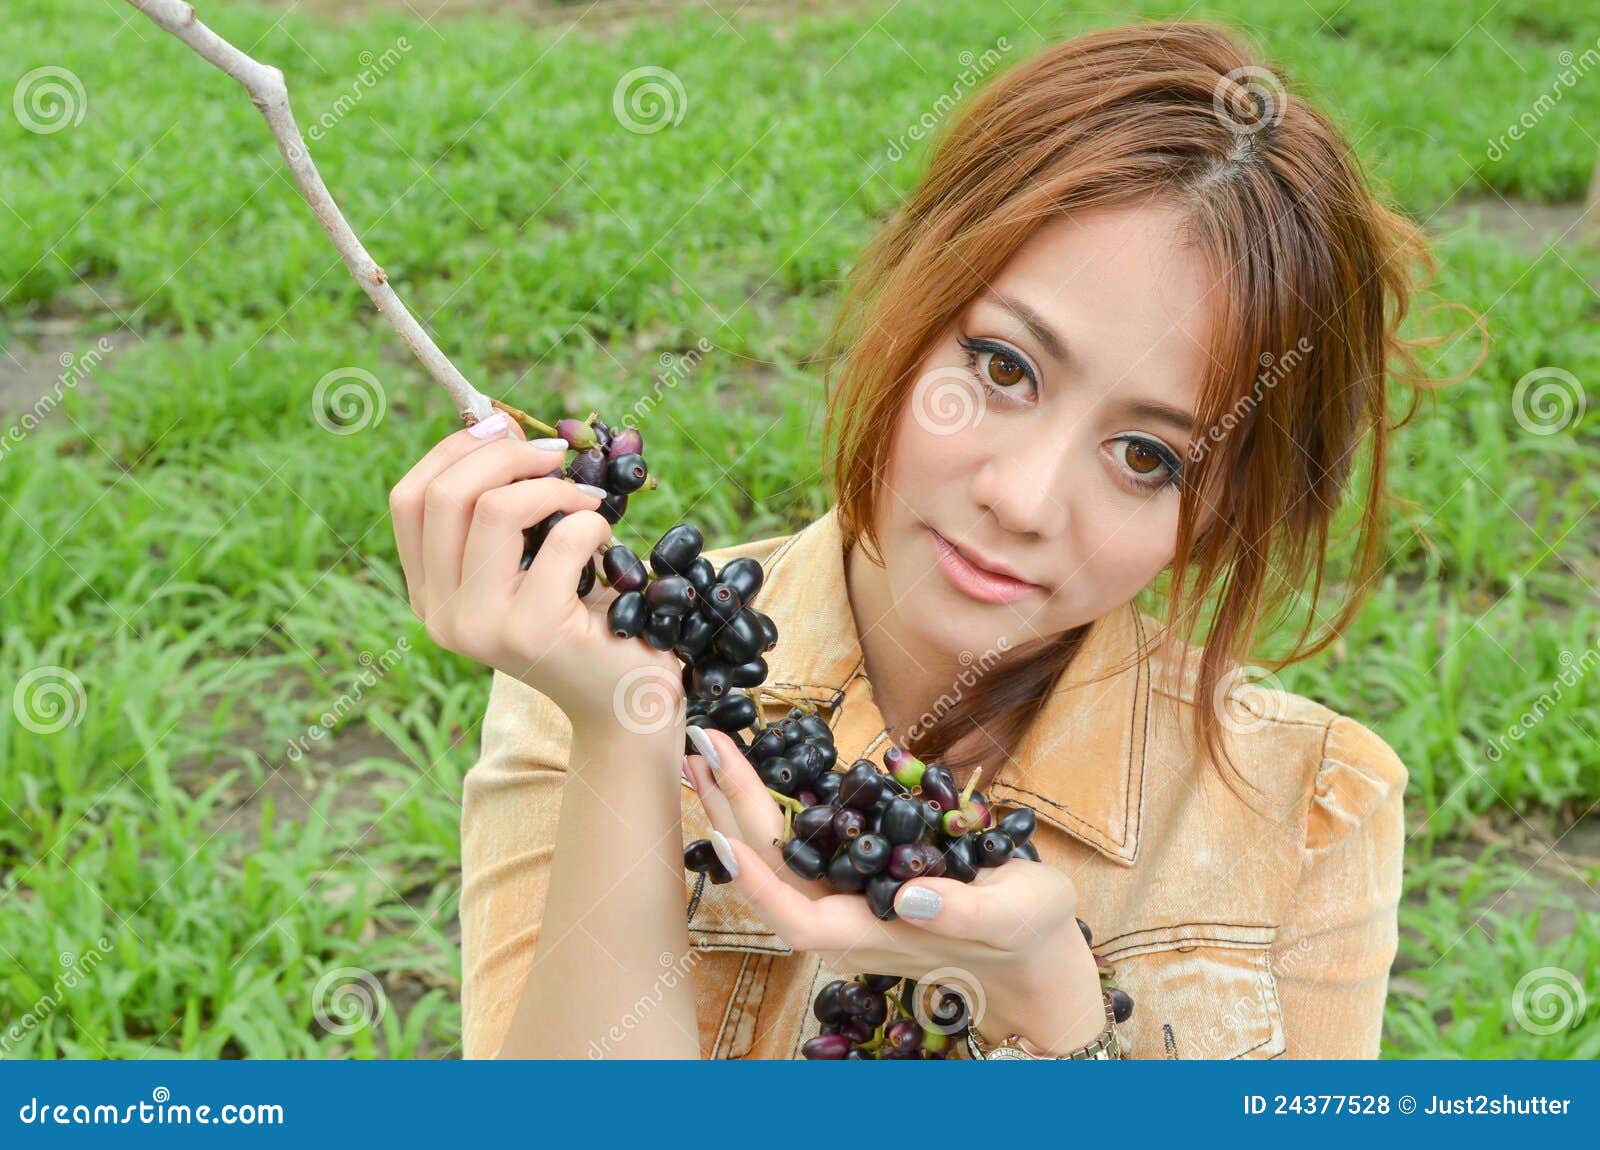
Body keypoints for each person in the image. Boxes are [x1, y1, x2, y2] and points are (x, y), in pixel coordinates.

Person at [388, 20, 1463, 1059]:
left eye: (1150, 457)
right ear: (913, 301)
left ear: (1224, 511)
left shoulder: (1314, 807)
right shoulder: (590, 667)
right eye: (1003, 367)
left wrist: (1052, 1011)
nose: (1027, 499)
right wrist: (622, 735)